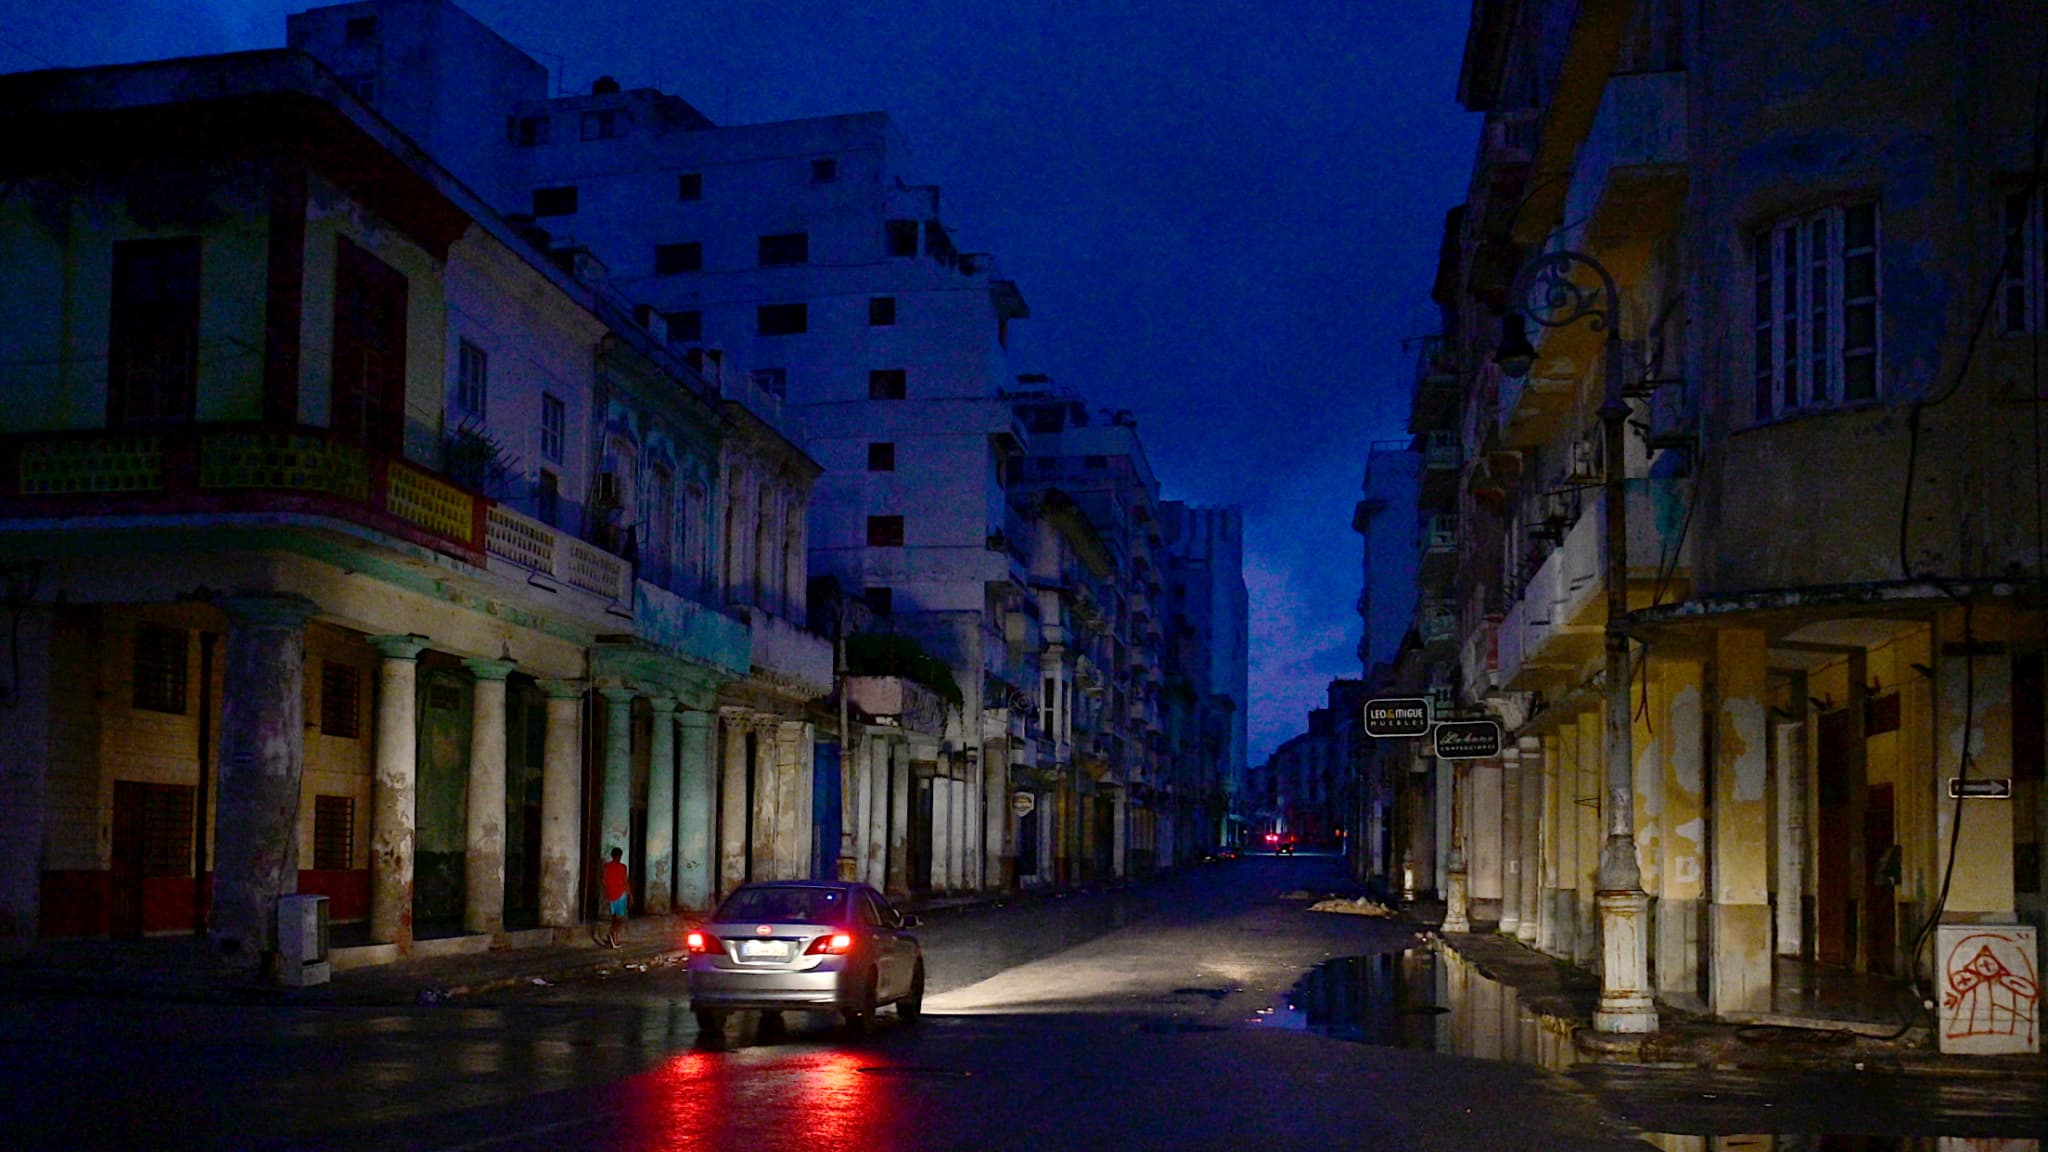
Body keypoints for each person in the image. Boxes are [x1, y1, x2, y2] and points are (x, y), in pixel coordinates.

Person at [599, 847, 629, 949]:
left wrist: (607, 892)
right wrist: (630, 894)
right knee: (619, 919)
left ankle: (613, 937)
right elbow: (625, 882)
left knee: (614, 918)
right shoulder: (622, 867)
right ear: (619, 856)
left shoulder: (606, 867)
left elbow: (604, 881)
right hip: (620, 895)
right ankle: (613, 936)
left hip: (611, 895)